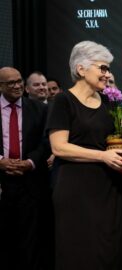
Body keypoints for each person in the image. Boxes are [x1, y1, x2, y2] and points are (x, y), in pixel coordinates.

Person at [46, 40, 122, 270]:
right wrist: (102, 156)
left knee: (111, 252)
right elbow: (59, 147)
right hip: (76, 192)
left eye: (108, 69)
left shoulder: (109, 102)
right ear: (81, 69)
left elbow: (120, 143)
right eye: (102, 68)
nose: (107, 74)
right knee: (79, 252)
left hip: (111, 189)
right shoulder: (63, 101)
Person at [0, 67, 51, 270]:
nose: (17, 86)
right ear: (0, 86)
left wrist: (29, 162)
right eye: (11, 83)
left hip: (30, 183)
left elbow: (45, 142)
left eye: (19, 81)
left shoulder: (39, 109)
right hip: (2, 182)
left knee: (30, 242)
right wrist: (0, 161)